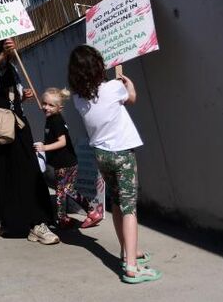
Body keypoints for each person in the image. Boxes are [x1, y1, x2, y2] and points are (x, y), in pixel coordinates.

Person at [68, 45, 160, 284]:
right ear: (98, 67)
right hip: (122, 154)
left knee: (117, 203)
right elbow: (132, 99)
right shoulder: (114, 88)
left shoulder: (78, 99)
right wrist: (128, 84)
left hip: (101, 155)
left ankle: (127, 250)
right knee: (130, 208)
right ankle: (131, 267)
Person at [0, 38, 57, 244]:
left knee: (28, 170)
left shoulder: (9, 55)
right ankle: (0, 218)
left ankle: (38, 222)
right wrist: (3, 56)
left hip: (15, 120)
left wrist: (21, 96)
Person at [34, 87, 103, 229]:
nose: (46, 107)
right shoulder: (51, 119)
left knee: (63, 190)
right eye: (44, 103)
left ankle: (67, 217)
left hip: (66, 163)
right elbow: (52, 138)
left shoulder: (56, 120)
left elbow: (62, 142)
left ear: (60, 107)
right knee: (66, 190)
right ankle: (78, 215)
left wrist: (44, 148)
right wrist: (44, 143)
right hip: (63, 163)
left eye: (51, 105)